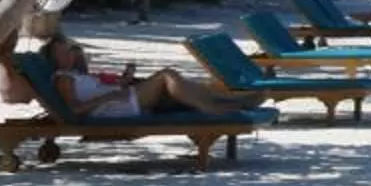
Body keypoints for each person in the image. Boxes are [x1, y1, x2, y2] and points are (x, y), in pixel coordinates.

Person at [32, 33, 252, 121]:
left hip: (122, 98)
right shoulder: (63, 79)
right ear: (54, 59)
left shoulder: (78, 74)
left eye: (69, 50)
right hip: (116, 107)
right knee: (167, 76)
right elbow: (75, 109)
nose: (69, 54)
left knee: (179, 84)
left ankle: (232, 102)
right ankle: (213, 107)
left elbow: (110, 85)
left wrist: (126, 78)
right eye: (62, 52)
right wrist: (107, 99)